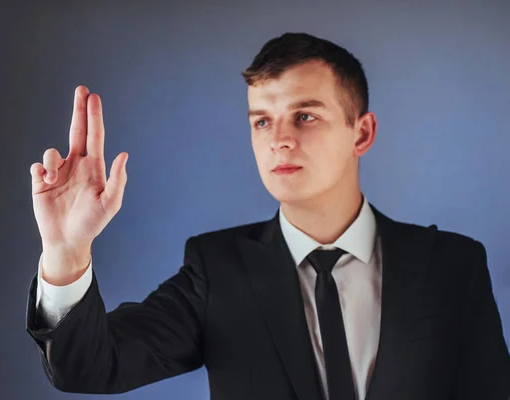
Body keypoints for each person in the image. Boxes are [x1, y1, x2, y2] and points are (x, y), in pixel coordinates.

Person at [25, 32, 510, 400]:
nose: (279, 138)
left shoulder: (453, 266)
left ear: (361, 133)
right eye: (262, 120)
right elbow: (88, 367)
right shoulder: (216, 270)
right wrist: (67, 252)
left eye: (305, 115)